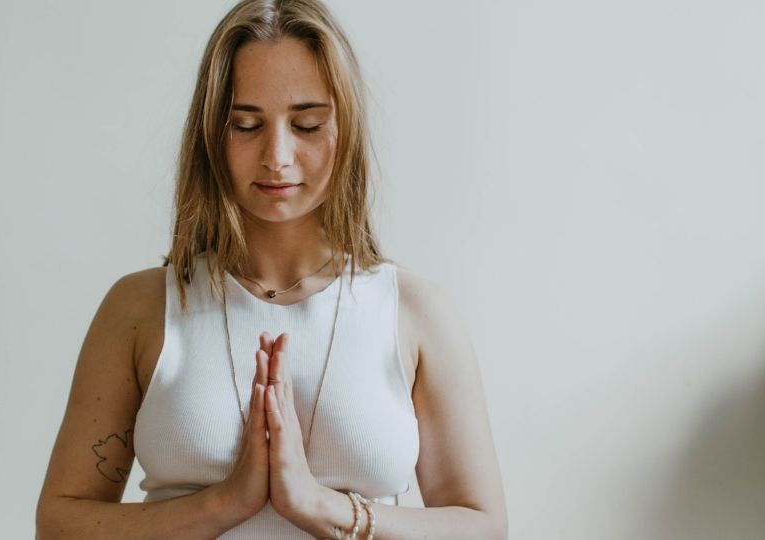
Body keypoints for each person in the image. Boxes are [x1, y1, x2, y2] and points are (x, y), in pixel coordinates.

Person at [36, 0, 508, 538]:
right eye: (245, 125)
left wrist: (319, 506)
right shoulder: (141, 309)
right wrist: (225, 503)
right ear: (210, 134)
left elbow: (483, 527)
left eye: (307, 124)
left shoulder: (416, 312)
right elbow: (60, 523)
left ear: (347, 128)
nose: (276, 155)